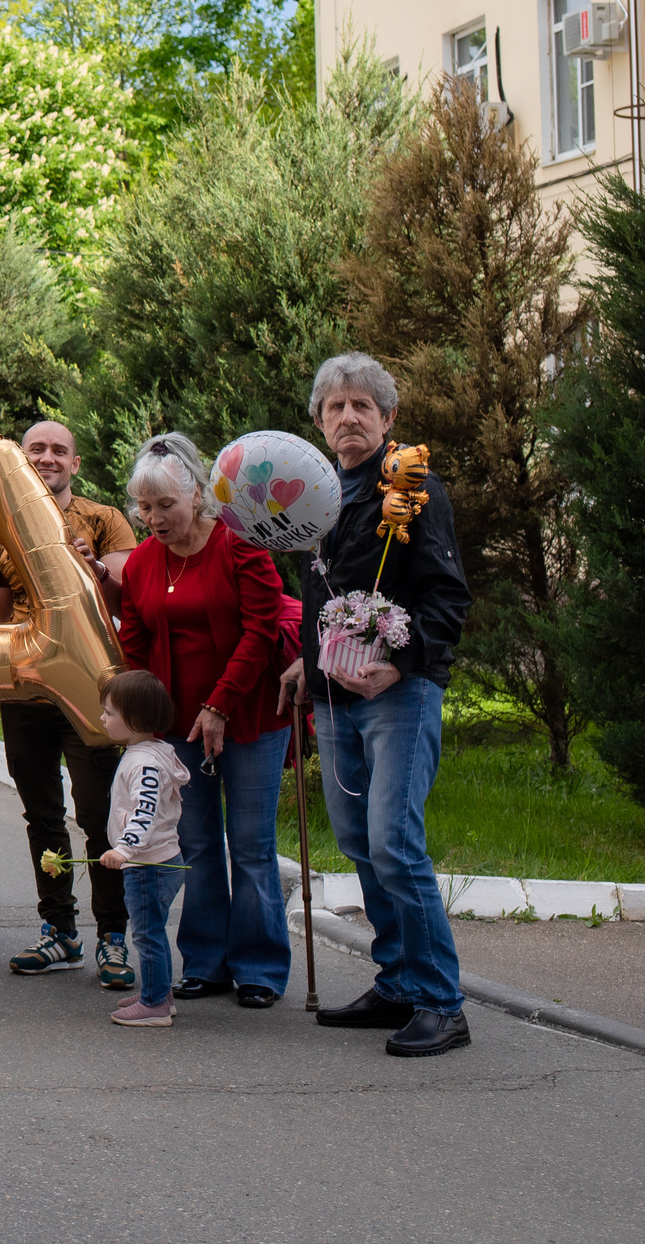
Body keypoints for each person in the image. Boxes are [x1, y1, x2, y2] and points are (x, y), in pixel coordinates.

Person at [290, 353, 474, 1058]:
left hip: (400, 694)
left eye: (362, 405)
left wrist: (397, 666)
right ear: (318, 422)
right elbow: (324, 596)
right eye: (334, 407)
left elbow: (447, 596)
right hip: (335, 698)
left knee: (396, 845)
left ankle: (441, 1001)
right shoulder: (318, 498)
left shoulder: (418, 491)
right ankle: (398, 980)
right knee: (362, 843)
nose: (348, 417)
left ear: (389, 418)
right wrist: (303, 661)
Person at [117, 433, 290, 1009]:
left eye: (165, 505)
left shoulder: (242, 546)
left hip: (250, 714)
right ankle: (207, 962)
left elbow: (262, 631)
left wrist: (219, 703)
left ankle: (261, 968)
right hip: (177, 729)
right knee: (192, 843)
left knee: (250, 844)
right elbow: (135, 649)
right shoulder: (141, 563)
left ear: (196, 492)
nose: (154, 518)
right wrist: (144, 727)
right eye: (144, 508)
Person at [0, 419, 140, 988]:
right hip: (26, 692)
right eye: (36, 449)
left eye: (58, 451)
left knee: (100, 816)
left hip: (92, 691)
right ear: (22, 461)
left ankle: (113, 937)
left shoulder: (104, 520)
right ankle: (60, 932)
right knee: (42, 814)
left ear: (75, 463)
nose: (47, 457)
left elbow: (128, 596)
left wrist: (88, 566)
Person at [95, 669, 190, 1030]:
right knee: (153, 930)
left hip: (149, 865)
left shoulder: (144, 763)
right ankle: (159, 993)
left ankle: (154, 1006)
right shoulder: (151, 752)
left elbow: (144, 811)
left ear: (133, 719)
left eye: (109, 712)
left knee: (147, 933)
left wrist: (124, 849)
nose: (102, 718)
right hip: (158, 862)